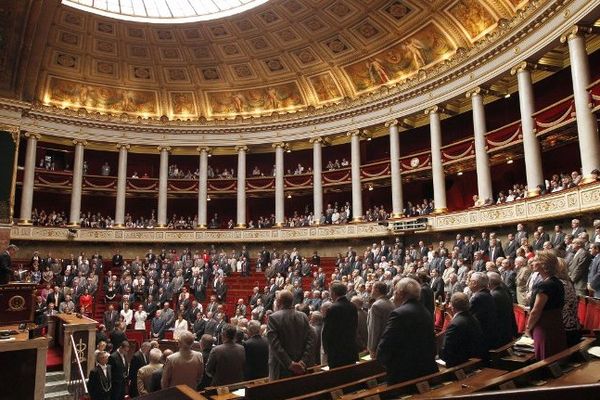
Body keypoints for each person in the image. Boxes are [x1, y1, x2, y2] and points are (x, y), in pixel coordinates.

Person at [377, 278, 438, 384]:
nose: (393, 295)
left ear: (401, 293)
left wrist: (387, 363)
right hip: (424, 368)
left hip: (404, 373)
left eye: (395, 291)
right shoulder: (425, 311)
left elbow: (385, 345)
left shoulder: (398, 314)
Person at [525, 251, 567, 360]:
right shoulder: (557, 282)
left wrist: (528, 328)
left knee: (545, 358)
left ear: (543, 264)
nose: (532, 263)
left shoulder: (544, 285)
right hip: (556, 323)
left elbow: (536, 311)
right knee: (556, 357)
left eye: (535, 260)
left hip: (544, 326)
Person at [266, 290, 315, 380]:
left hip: (280, 368)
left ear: (279, 301)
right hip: (301, 367)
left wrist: (290, 364)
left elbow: (274, 344)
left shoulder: (273, 317)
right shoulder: (303, 316)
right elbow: (310, 341)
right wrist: (303, 361)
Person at [441, 293, 486, 367]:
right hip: (473, 362)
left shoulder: (455, 324)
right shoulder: (473, 319)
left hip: (458, 366)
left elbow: (446, 352)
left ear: (452, 306)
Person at [322, 281, 358, 368]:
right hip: (350, 348)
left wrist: (326, 351)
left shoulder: (332, 308)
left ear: (333, 293)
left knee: (337, 377)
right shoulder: (353, 306)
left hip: (336, 352)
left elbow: (327, 332)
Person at [468, 272, 499, 352]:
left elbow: (468, 317)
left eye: (470, 280)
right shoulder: (487, 293)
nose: (468, 282)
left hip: (481, 337)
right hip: (489, 334)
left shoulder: (477, 297)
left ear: (474, 283)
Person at [488, 272, 518, 347]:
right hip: (507, 330)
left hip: (500, 333)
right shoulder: (503, 291)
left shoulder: (493, 295)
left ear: (489, 283)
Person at [367, 281, 395, 358]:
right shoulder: (391, 303)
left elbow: (374, 329)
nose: (371, 291)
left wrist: (372, 348)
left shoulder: (376, 305)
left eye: (372, 288)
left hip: (379, 345)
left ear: (377, 290)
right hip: (389, 342)